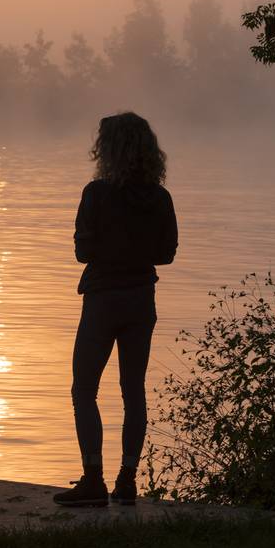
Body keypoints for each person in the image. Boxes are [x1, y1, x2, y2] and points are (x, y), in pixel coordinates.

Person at [54, 112, 178, 509]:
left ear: (108, 150)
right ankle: (127, 480)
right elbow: (167, 254)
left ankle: (93, 479)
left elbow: (82, 251)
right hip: (141, 299)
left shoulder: (96, 194)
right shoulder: (159, 198)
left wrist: (109, 250)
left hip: (103, 299)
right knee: (133, 392)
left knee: (84, 389)